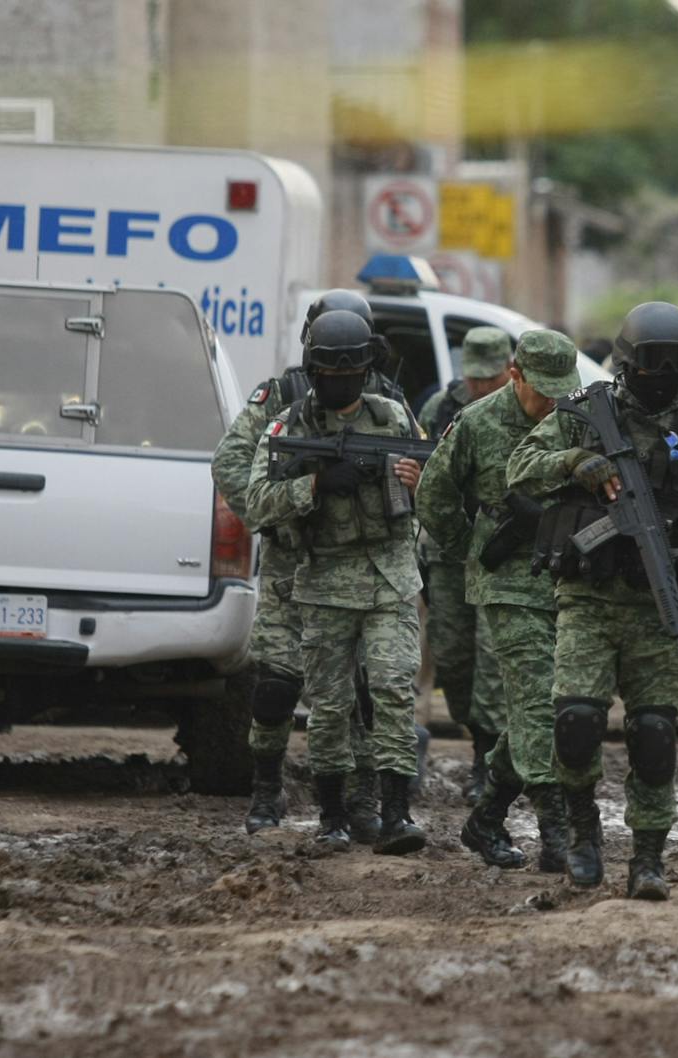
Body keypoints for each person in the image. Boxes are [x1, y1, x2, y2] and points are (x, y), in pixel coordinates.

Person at [508, 301, 678, 900]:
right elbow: (520, 469)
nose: (663, 375)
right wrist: (574, 462)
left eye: (675, 363)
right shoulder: (585, 412)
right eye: (653, 362)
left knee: (654, 735)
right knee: (576, 721)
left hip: (661, 604)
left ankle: (648, 857)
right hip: (589, 601)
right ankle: (582, 833)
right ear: (627, 361)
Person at [212, 289, 403, 839]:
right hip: (292, 567)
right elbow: (231, 463)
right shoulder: (282, 398)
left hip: (361, 570)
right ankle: (266, 790)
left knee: (363, 690)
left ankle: (361, 802)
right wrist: (282, 516)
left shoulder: (387, 405)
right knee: (276, 686)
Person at [245, 309, 429, 854]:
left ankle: (394, 812)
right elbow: (256, 502)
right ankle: (332, 815)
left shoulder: (394, 417)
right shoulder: (290, 426)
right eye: (331, 374)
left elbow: (437, 494)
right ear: (314, 371)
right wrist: (316, 484)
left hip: (389, 576)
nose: (341, 384)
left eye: (351, 374)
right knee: (329, 704)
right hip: (324, 579)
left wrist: (417, 484)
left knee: (392, 689)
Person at [417, 329, 583, 871]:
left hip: (567, 578)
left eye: (561, 390)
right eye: (543, 390)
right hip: (507, 580)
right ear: (515, 375)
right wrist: (468, 547)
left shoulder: (578, 419)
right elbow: (434, 493)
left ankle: (487, 817)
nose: (552, 401)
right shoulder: (477, 422)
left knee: (556, 703)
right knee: (536, 701)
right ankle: (555, 831)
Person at [417, 327, 513, 802]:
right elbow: (422, 468)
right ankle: (474, 729)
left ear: (508, 372)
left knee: (493, 660)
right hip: (449, 552)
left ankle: (487, 761)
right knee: (452, 655)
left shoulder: (525, 409)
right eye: (474, 378)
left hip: (504, 553)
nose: (479, 387)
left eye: (489, 379)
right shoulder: (441, 409)